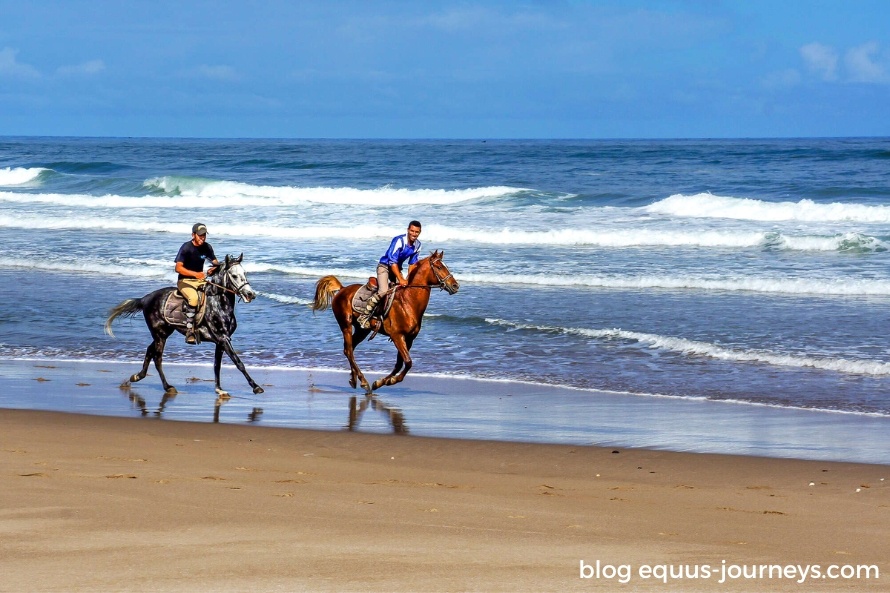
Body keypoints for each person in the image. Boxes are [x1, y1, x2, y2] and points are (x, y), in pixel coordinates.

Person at [357, 220, 423, 329]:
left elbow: (412, 264)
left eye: (417, 232)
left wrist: (409, 279)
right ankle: (364, 316)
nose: (414, 234)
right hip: (385, 267)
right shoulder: (399, 240)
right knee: (383, 291)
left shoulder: (418, 245)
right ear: (408, 230)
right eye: (412, 231)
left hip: (397, 268)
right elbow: (392, 262)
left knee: (405, 291)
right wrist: (400, 278)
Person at [174, 223, 219, 344]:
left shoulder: (207, 247)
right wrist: (195, 274)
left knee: (215, 294)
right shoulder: (186, 247)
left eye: (204, 235)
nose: (202, 238)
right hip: (185, 281)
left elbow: (215, 262)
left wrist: (213, 269)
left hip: (200, 281)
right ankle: (189, 331)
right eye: (200, 235)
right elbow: (178, 268)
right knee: (193, 298)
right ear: (193, 235)